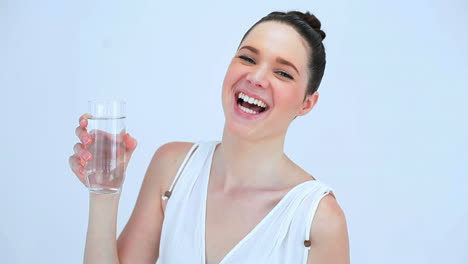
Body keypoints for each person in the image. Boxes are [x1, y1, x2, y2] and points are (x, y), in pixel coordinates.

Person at [69, 11, 350, 264]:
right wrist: (104, 189)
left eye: (282, 73)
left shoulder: (319, 219)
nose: (256, 77)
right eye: (248, 58)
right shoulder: (172, 168)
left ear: (307, 104)